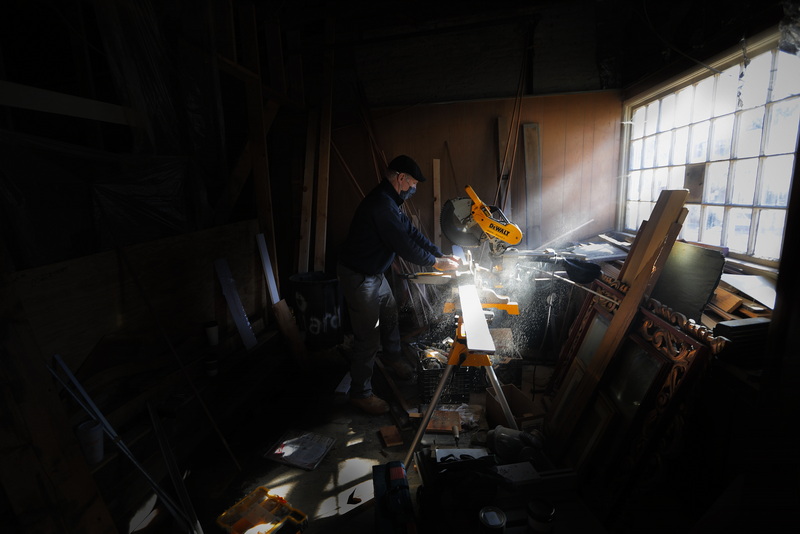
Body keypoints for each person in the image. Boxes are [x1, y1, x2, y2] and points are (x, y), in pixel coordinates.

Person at [337, 155, 460, 415]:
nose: (414, 188)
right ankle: (361, 393)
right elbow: (403, 246)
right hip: (359, 276)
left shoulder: (392, 201)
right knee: (368, 337)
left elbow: (411, 233)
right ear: (401, 178)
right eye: (413, 182)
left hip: (374, 274)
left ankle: (392, 358)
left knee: (390, 313)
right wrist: (434, 264)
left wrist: (440, 255)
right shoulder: (382, 206)